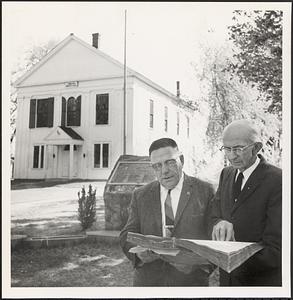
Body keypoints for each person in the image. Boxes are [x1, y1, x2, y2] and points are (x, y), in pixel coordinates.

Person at [119, 138, 215, 286]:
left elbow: (216, 240)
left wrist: (201, 267)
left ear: (181, 160)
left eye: (169, 162)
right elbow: (127, 234)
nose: (164, 171)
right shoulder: (141, 195)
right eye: (157, 166)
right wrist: (138, 254)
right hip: (149, 282)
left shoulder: (205, 191)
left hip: (190, 282)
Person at [210, 119, 282, 286]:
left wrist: (232, 260)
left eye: (238, 149)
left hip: (260, 282)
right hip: (227, 282)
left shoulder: (278, 181)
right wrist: (220, 222)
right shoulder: (226, 174)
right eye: (226, 149)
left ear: (257, 148)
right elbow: (214, 215)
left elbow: (276, 248)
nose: (231, 156)